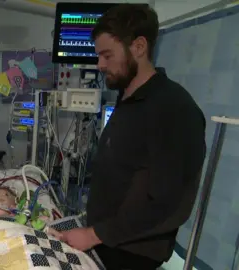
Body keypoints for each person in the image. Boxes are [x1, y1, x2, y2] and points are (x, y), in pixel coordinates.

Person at [58, 4, 206, 270]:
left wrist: (94, 234)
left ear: (139, 47)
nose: (100, 65)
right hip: (105, 242)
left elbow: (166, 203)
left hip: (132, 254)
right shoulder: (128, 98)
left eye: (106, 55)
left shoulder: (173, 109)